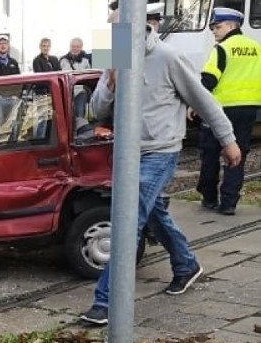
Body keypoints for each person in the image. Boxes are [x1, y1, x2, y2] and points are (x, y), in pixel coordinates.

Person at [79, 17, 242, 326]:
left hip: (160, 150)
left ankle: (105, 301)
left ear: (139, 26)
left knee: (129, 217)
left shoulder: (168, 57)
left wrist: (228, 140)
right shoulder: (112, 52)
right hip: (125, 152)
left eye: (118, 28)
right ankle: (186, 265)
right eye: (110, 29)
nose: (113, 34)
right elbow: (97, 110)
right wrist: (110, 83)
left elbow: (203, 100)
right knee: (152, 212)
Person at [195, 6, 261, 215]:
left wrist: (195, 104)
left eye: (217, 26)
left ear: (232, 26)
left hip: (220, 110)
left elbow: (208, 80)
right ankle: (229, 202)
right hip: (249, 109)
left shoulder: (222, 48)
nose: (213, 30)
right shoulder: (256, 47)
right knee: (237, 155)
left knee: (210, 153)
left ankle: (209, 197)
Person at [60, 37, 93, 125]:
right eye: (73, 46)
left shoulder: (86, 60)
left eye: (77, 46)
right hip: (67, 93)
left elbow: (89, 76)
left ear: (81, 47)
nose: (75, 49)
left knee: (79, 116)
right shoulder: (64, 60)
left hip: (80, 91)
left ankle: (79, 135)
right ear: (70, 47)